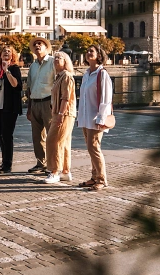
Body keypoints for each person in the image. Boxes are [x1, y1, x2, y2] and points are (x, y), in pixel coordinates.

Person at [76, 44, 113, 191]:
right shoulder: (86, 74)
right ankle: (94, 177)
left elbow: (106, 98)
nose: (88, 53)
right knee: (90, 148)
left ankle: (102, 179)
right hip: (85, 117)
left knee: (94, 148)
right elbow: (84, 97)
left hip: (96, 118)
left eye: (92, 51)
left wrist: (101, 118)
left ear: (99, 54)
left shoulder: (102, 74)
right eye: (87, 51)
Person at [43, 51, 76, 184]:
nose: (56, 59)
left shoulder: (66, 76)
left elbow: (66, 98)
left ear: (65, 61)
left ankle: (54, 171)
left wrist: (61, 114)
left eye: (60, 58)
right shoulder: (59, 76)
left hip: (64, 113)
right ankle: (65, 171)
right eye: (55, 58)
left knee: (52, 141)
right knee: (64, 143)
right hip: (61, 113)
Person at [0, 45, 23, 173]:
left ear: (13, 55)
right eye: (4, 51)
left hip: (9, 107)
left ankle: (7, 164)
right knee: (0, 134)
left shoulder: (14, 69)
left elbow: (16, 85)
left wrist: (7, 71)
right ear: (0, 55)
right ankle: (4, 160)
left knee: (7, 135)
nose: (6, 53)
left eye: (9, 51)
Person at [25, 37, 55, 174]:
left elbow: (58, 84)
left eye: (40, 44)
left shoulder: (53, 62)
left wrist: (55, 104)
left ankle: (53, 165)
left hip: (48, 102)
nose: (37, 45)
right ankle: (41, 163)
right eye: (35, 44)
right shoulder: (33, 66)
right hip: (35, 103)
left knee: (51, 135)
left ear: (46, 47)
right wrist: (29, 108)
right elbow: (29, 87)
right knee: (37, 137)